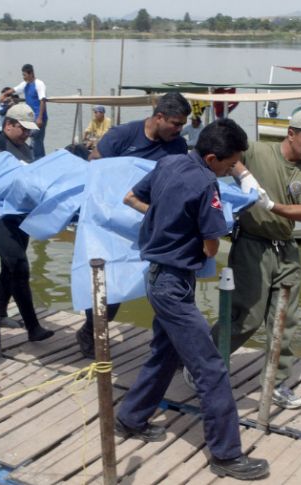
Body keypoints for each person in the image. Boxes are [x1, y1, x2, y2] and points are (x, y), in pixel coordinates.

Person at [116, 119, 269, 481]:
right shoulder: (205, 184)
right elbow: (211, 246)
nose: (232, 169)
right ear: (213, 158)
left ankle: (131, 418)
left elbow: (131, 197)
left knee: (165, 352)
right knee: (210, 367)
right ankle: (226, 454)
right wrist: (192, 236)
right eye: (230, 164)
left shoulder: (168, 162)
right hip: (174, 285)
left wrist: (163, 221)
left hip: (157, 277)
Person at [211, 110, 301, 410]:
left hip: (286, 249)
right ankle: (204, 362)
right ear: (291, 133)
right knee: (246, 316)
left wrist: (271, 205)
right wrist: (243, 175)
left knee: (284, 319)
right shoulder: (258, 151)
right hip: (252, 245)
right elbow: (227, 155)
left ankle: (275, 382)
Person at [76, 91, 191, 358]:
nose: (179, 130)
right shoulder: (122, 136)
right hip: (113, 221)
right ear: (159, 117)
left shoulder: (177, 146)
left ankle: (167, 350)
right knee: (112, 286)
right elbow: (95, 169)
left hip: (151, 221)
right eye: (175, 123)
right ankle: (90, 330)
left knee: (167, 288)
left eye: (182, 124)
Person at [0, 103, 55, 341]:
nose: (27, 134)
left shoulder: (26, 147)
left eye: (29, 130)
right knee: (19, 266)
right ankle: (33, 327)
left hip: (21, 216)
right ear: (9, 125)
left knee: (9, 267)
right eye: (23, 129)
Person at [2, 64, 48, 160]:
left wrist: (40, 118)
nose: (24, 77)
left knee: (36, 141)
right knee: (34, 140)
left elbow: (42, 100)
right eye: (23, 75)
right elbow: (14, 90)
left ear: (31, 73)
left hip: (39, 118)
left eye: (25, 75)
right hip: (31, 119)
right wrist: (4, 95)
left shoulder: (39, 84)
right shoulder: (25, 84)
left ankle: (38, 160)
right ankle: (37, 159)